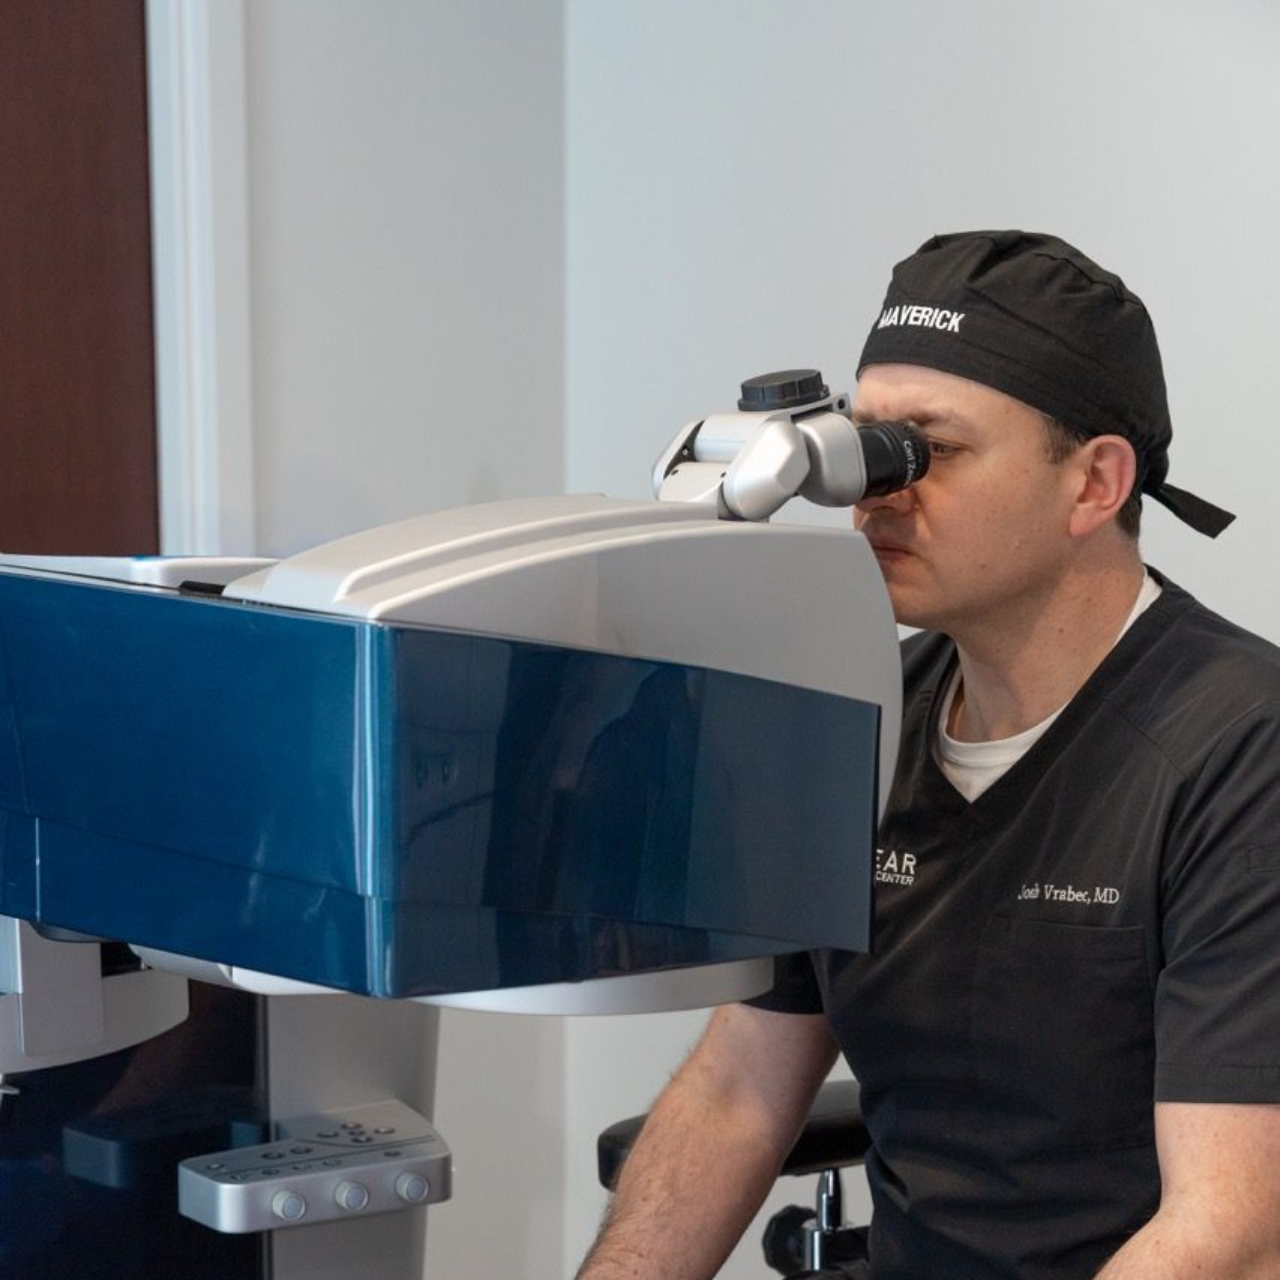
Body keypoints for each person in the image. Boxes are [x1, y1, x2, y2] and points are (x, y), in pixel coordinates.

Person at [574, 230, 1280, 1280]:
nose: (874, 489)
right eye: (865, 441)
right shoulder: (850, 715)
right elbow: (736, 1092)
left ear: (1092, 484)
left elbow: (1224, 1237)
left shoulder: (1237, 746)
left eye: (929, 449)